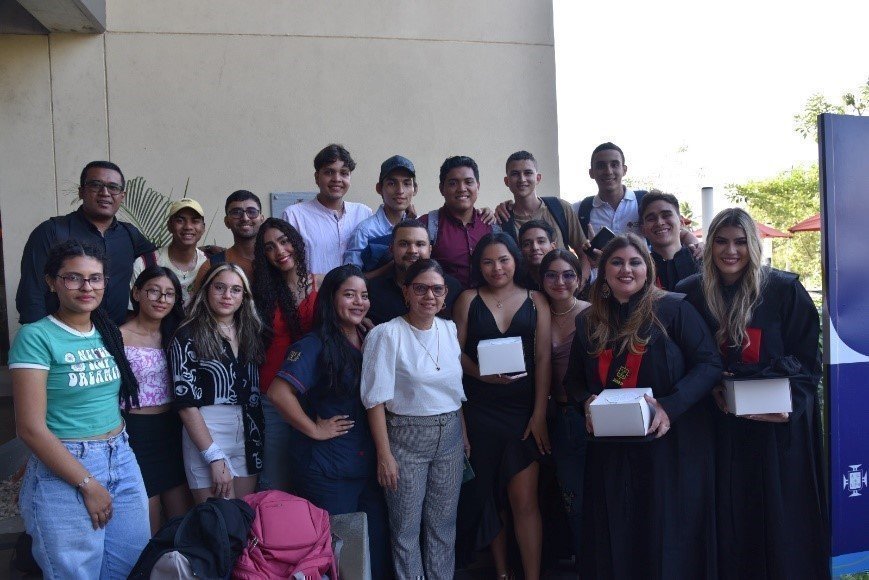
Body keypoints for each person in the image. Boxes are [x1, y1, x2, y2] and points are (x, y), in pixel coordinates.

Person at [676, 208, 829, 579]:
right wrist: (710, 386)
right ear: (710, 244)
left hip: (774, 432)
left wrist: (787, 403)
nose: (731, 251)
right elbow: (681, 360)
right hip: (716, 430)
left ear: (753, 245)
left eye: (741, 241)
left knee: (776, 523)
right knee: (724, 519)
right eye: (722, 241)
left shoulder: (782, 290)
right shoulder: (690, 293)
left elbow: (809, 360)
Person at [564, 233, 721, 579]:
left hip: (669, 447)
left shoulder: (673, 309)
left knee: (666, 533)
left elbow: (709, 364)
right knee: (617, 535)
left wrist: (669, 405)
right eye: (616, 262)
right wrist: (586, 402)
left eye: (635, 262)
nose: (626, 269)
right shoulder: (588, 322)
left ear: (647, 269)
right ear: (603, 270)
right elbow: (573, 381)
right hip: (612, 452)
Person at [10, 240, 150, 578]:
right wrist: (87, 482)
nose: (87, 287)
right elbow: (29, 428)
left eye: (95, 278)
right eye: (73, 277)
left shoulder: (107, 333)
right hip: (68, 465)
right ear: (52, 282)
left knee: (130, 565)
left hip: (121, 455)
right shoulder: (36, 336)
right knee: (75, 572)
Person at [267, 265, 389, 579]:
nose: (359, 302)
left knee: (371, 551)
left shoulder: (369, 337)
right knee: (339, 556)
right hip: (330, 469)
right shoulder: (315, 344)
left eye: (363, 295)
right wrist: (315, 429)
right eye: (349, 294)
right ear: (330, 300)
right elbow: (279, 392)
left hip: (367, 465)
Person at [361, 259, 468, 580]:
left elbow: (454, 390)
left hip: (449, 434)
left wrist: (463, 435)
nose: (429, 296)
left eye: (437, 289)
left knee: (443, 525)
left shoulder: (449, 330)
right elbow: (375, 400)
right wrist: (385, 455)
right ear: (406, 292)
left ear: (446, 294)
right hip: (405, 438)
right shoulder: (386, 334)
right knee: (406, 529)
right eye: (420, 288)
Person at [453, 233, 551, 580]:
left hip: (522, 412)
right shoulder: (467, 299)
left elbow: (542, 358)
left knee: (524, 500)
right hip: (480, 410)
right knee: (490, 499)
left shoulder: (537, 299)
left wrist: (539, 414)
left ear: (515, 260)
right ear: (478, 266)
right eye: (488, 261)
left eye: (504, 260)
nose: (497, 268)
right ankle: (502, 573)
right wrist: (479, 374)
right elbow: (454, 352)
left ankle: (533, 575)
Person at [17, 160, 156, 325]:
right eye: (96, 185)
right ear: (81, 192)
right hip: (64, 336)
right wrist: (38, 338)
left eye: (113, 187)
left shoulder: (129, 234)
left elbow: (165, 258)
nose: (105, 193)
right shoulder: (52, 231)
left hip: (116, 336)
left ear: (122, 196)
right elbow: (31, 293)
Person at [170, 263, 265, 503]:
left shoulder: (252, 332)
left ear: (244, 297)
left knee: (244, 518)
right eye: (219, 287)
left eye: (235, 290)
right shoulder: (187, 334)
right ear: (206, 291)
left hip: (249, 432)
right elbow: (186, 404)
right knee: (219, 523)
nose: (227, 296)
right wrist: (213, 455)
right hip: (207, 431)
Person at [121, 266, 192, 533]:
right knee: (146, 520)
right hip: (134, 433)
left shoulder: (177, 335)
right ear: (137, 293)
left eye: (169, 294)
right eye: (153, 290)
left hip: (172, 429)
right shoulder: (117, 336)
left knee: (180, 520)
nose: (161, 299)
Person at [252, 218, 319, 491]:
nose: (279, 251)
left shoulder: (323, 285)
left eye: (284, 241)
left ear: (296, 242)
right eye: (269, 247)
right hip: (274, 396)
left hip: (315, 394)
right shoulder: (261, 295)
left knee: (313, 475)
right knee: (276, 477)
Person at [538, 249, 590, 566]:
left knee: (592, 494)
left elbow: (623, 365)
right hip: (551, 414)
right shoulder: (535, 311)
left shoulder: (593, 313)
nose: (560, 281)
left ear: (579, 278)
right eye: (552, 275)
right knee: (567, 495)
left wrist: (612, 389)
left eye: (568, 274)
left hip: (588, 414)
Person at [283, 144, 373, 273]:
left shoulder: (363, 213)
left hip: (354, 292)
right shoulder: (294, 215)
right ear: (316, 177)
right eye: (329, 172)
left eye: (344, 173)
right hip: (312, 292)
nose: (337, 179)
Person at [419, 155, 499, 288]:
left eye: (468, 182)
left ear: (477, 186)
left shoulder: (491, 225)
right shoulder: (426, 225)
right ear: (441, 189)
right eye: (453, 183)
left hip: (487, 304)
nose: (462, 188)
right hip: (442, 306)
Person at [495, 151, 590, 260]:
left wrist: (581, 278)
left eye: (528, 173)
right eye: (515, 174)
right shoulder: (502, 219)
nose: (522, 179)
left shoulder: (560, 208)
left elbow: (583, 254)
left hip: (562, 276)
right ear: (507, 181)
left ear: (538, 178)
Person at [366, 219, 463, 325]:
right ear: (391, 249)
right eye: (404, 244)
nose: (412, 250)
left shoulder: (452, 287)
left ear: (430, 250)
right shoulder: (372, 290)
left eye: (420, 244)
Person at [344, 155, 418, 272]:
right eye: (392, 183)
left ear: (415, 189)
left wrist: (411, 225)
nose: (400, 191)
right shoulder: (365, 231)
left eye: (407, 183)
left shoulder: (420, 227)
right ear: (379, 188)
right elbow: (350, 278)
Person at [130, 198, 208, 307]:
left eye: (195, 221)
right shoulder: (145, 263)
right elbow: (132, 312)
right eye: (180, 220)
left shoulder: (208, 265)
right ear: (169, 225)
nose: (188, 227)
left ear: (203, 228)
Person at [193, 190, 265, 289]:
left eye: (252, 212)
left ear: (262, 219)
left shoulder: (277, 259)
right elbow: (199, 303)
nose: (245, 218)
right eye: (236, 212)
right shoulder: (212, 266)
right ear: (226, 221)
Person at [639, 190, 699, 290]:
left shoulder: (703, 262)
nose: (659, 222)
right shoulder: (640, 271)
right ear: (643, 229)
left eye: (666, 215)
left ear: (681, 222)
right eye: (651, 218)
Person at [518, 220, 557, 289]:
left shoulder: (566, 277)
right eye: (527, 244)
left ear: (553, 246)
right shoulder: (517, 284)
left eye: (541, 241)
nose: (535, 248)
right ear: (521, 250)